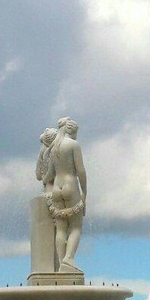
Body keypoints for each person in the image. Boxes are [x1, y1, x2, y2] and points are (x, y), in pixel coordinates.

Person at [45, 117, 86, 274]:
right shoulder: (73, 145)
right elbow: (81, 171)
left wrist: (44, 181)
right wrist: (85, 194)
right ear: (72, 130)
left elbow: (49, 174)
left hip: (57, 188)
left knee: (61, 228)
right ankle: (69, 259)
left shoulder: (54, 147)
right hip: (71, 186)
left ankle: (62, 262)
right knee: (75, 226)